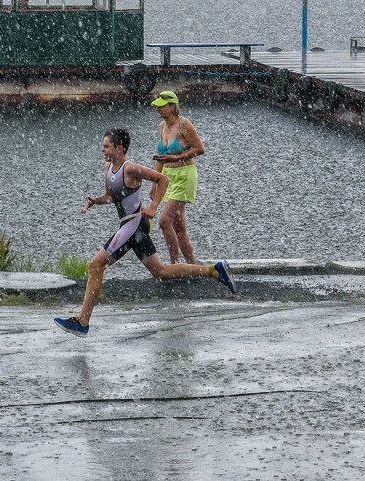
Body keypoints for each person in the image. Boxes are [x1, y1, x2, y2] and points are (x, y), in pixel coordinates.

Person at [54, 128, 236, 338]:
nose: (102, 150)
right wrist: (96, 201)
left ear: (119, 148)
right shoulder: (108, 168)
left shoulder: (130, 169)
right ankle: (216, 271)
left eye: (106, 146)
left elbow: (162, 180)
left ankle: (82, 321)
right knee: (162, 273)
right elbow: (111, 196)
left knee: (96, 266)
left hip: (133, 224)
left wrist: (153, 207)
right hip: (131, 226)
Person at [151, 89, 204, 264]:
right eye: (157, 106)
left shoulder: (184, 125)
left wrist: (176, 157)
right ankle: (192, 266)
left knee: (164, 221)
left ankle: (174, 265)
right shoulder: (161, 127)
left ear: (173, 107)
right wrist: (154, 183)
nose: (158, 109)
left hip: (184, 176)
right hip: (167, 178)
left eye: (162, 106)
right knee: (178, 227)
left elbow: (199, 149)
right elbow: (160, 156)